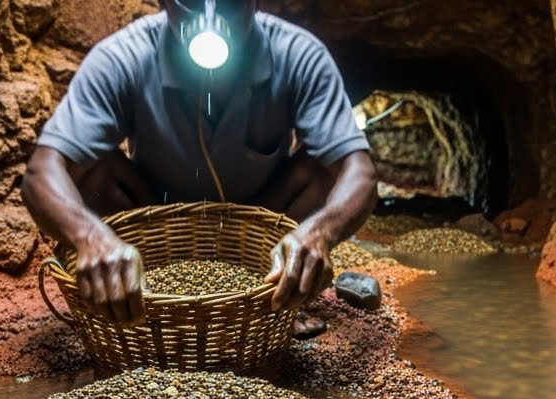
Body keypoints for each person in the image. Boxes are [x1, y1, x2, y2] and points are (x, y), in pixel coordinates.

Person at [22, 0, 377, 329]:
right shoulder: (123, 57)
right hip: (152, 235)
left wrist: (320, 234)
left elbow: (359, 171)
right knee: (91, 165)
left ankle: (278, 299)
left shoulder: (298, 55)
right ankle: (130, 299)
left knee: (324, 164)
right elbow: (41, 173)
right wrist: (91, 238)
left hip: (261, 241)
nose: (210, 15)